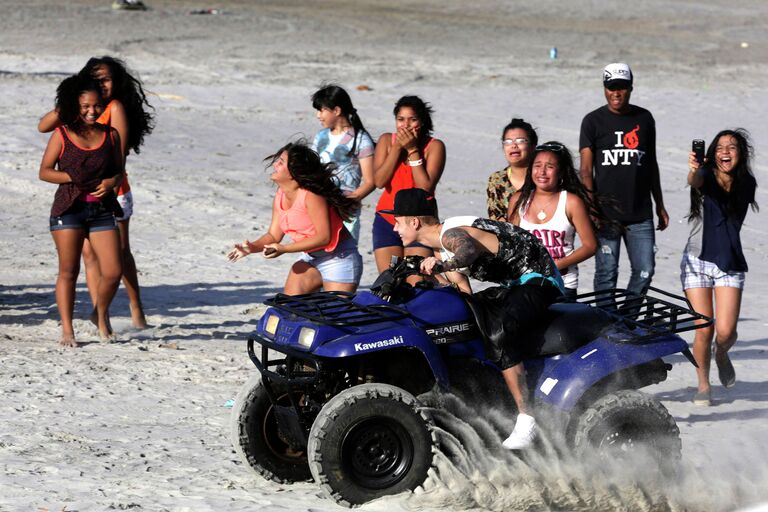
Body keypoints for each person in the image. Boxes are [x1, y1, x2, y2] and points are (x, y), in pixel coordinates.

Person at [385, 188, 564, 449]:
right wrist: (432, 275)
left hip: (539, 279)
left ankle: (527, 418)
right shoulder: (439, 250)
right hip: (516, 284)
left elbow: (466, 251)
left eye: (398, 222)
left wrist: (444, 266)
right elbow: (462, 294)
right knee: (471, 316)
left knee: (499, 328)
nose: (394, 229)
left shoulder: (450, 235)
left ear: (415, 222)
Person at [39, 56, 155, 330]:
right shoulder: (78, 110)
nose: (102, 84)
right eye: (96, 79)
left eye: (106, 79)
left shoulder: (112, 108)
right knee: (89, 258)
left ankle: (135, 308)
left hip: (113, 189)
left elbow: (119, 157)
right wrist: (68, 103)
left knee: (120, 254)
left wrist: (112, 182)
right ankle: (101, 317)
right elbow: (43, 127)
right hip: (79, 198)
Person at [39, 74, 125, 347]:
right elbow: (44, 172)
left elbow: (119, 171)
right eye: (85, 106)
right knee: (68, 271)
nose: (91, 111)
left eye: (97, 106)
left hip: (101, 210)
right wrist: (72, 177)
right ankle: (67, 330)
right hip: (68, 210)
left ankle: (98, 314)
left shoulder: (111, 135)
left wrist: (112, 182)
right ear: (74, 106)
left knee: (113, 272)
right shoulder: (62, 134)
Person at [682, 129, 758, 406]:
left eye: (733, 147)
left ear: (741, 153)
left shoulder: (747, 183)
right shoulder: (703, 176)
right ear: (713, 154)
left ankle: (722, 353)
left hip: (728, 261)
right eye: (721, 147)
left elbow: (729, 201)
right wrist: (695, 170)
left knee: (725, 332)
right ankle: (703, 385)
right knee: (704, 327)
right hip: (696, 260)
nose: (726, 151)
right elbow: (696, 180)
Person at [579, 63, 669, 297]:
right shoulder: (592, 121)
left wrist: (659, 204)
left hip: (640, 213)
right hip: (605, 214)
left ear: (630, 88)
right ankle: (606, 325)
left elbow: (652, 164)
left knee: (645, 270)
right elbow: (586, 170)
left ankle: (626, 323)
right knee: (606, 272)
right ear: (604, 88)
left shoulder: (645, 118)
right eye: (611, 87)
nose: (616, 93)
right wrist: (591, 208)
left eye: (621, 87)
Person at [227, 142, 363, 294]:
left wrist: (285, 249)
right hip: (310, 258)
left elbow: (324, 238)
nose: (275, 164)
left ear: (294, 173)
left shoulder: (311, 196)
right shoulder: (280, 195)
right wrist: (252, 247)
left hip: (339, 259)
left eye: (281, 162)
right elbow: (273, 235)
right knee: (289, 309)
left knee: (334, 316)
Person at [508, 142, 599, 300]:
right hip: (525, 283)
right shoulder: (519, 200)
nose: (542, 172)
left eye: (550, 166)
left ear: (561, 172)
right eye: (537, 165)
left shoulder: (572, 202)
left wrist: (555, 266)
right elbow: (511, 242)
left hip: (562, 284)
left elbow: (590, 246)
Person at [373, 96, 446, 273]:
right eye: (400, 119)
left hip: (421, 222)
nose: (405, 125)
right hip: (387, 218)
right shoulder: (386, 141)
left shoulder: (434, 146)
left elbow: (424, 188)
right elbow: (379, 181)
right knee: (389, 279)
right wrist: (397, 148)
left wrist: (413, 150)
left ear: (422, 122)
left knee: (416, 277)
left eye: (412, 119)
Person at [310, 85, 375, 241]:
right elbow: (312, 169)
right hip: (318, 207)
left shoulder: (360, 139)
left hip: (345, 212)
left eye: (321, 110)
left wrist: (346, 203)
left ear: (337, 110)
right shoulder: (321, 137)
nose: (318, 115)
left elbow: (370, 181)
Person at [486, 118, 538, 221]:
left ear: (533, 146)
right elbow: (496, 219)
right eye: (508, 142)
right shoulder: (497, 180)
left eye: (520, 141)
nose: (514, 146)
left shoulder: (542, 176)